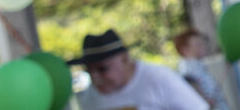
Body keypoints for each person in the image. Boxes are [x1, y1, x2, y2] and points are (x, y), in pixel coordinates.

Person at [70, 30, 210, 110]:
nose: (95, 78)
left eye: (102, 69)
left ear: (125, 59)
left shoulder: (158, 78)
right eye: (89, 71)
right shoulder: (90, 97)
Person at [171, 30, 225, 109]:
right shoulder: (187, 71)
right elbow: (196, 100)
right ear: (185, 50)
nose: (204, 46)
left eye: (203, 43)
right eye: (198, 44)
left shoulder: (197, 66)